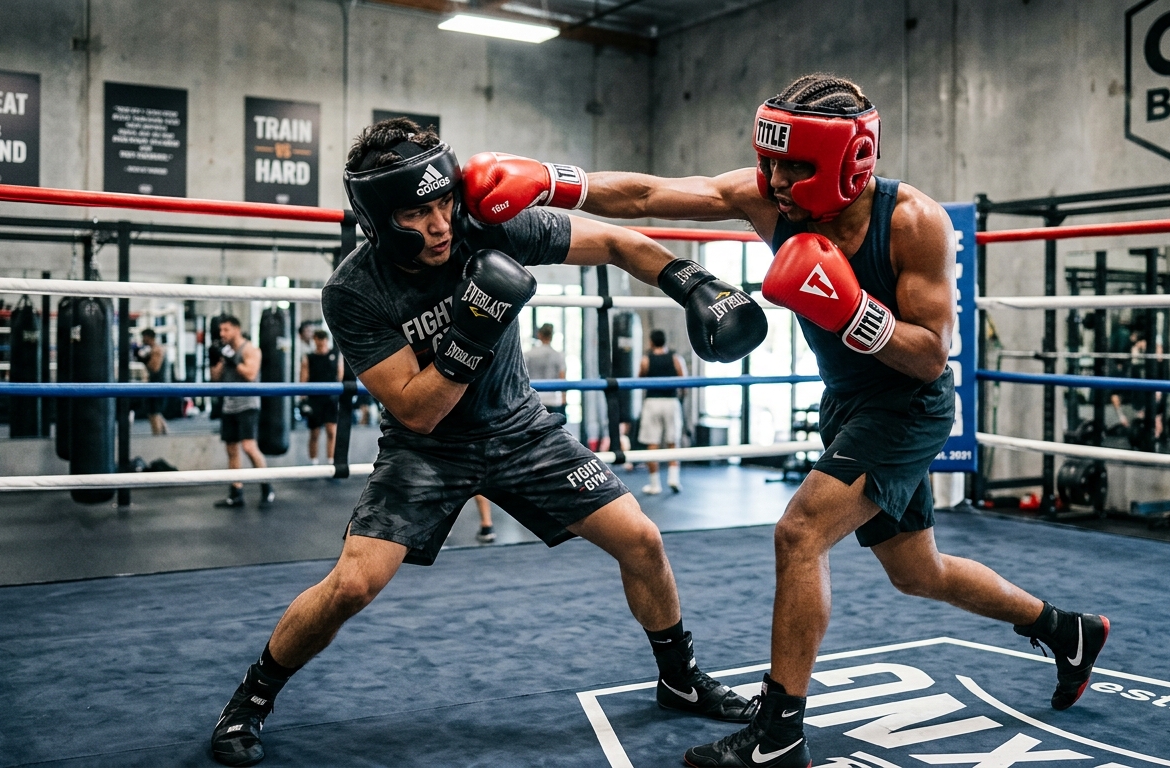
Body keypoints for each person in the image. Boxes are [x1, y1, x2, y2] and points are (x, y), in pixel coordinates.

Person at [468, 73, 1111, 768]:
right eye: (769, 160)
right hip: (848, 404)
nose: (773, 178)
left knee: (799, 533)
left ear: (850, 158)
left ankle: (780, 735)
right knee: (917, 571)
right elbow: (653, 194)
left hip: (906, 406)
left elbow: (931, 357)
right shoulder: (770, 199)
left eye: (793, 164)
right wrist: (553, 180)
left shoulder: (910, 221)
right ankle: (1067, 629)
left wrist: (852, 312)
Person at [208, 117, 766, 766]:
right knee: (354, 585)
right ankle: (251, 698)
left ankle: (680, 679)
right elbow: (416, 410)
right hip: (428, 450)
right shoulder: (355, 291)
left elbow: (614, 240)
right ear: (381, 219)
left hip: (521, 432)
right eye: (419, 212)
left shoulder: (486, 223)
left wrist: (688, 281)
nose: (442, 224)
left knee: (642, 538)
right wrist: (472, 330)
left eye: (444, 202)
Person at [210, 316, 273, 508]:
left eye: (226, 330)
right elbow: (215, 378)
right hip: (229, 404)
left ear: (236, 329)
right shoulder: (225, 350)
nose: (222, 334)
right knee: (231, 450)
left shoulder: (250, 349)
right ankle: (236, 492)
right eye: (221, 330)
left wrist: (232, 360)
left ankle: (266, 485)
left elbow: (251, 374)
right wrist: (218, 359)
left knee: (248, 447)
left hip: (247, 404)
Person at [638, 329, 685, 495]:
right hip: (671, 401)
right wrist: (681, 400)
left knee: (652, 443)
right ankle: (673, 479)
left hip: (652, 402)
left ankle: (655, 484)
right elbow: (683, 381)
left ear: (651, 342)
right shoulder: (675, 358)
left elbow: (640, 380)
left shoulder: (646, 360)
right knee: (673, 442)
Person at [298, 329, 342, 464]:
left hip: (331, 398)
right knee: (315, 433)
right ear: (315, 340)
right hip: (314, 398)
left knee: (331, 431)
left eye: (323, 339)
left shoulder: (335, 355)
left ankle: (330, 461)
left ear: (326, 341)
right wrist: (302, 398)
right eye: (318, 339)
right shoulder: (309, 357)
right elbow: (303, 377)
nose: (321, 342)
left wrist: (337, 394)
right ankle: (314, 463)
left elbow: (339, 375)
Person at [523, 322, 567, 416]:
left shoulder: (529, 354)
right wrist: (564, 399)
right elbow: (562, 377)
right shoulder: (558, 355)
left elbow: (522, 377)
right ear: (552, 336)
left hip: (533, 399)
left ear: (539, 335)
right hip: (553, 400)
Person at [136, 328, 170, 435]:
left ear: (149, 337)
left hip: (158, 386)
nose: (143, 340)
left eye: (144, 337)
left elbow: (154, 368)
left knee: (153, 413)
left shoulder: (156, 350)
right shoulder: (153, 349)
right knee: (155, 413)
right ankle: (165, 436)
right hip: (156, 385)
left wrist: (144, 360)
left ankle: (157, 438)